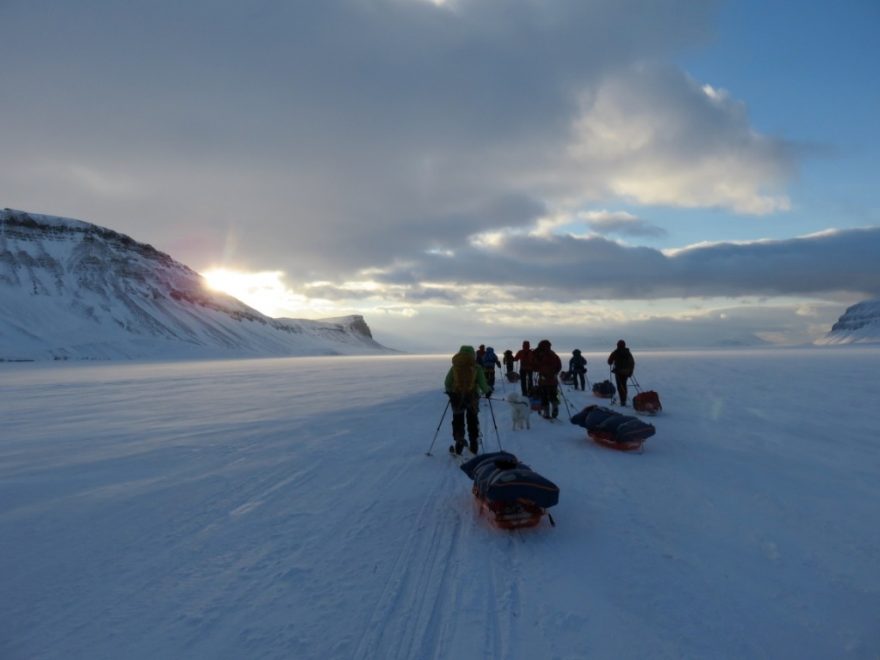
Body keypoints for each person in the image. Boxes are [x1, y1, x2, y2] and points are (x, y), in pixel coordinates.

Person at [444, 345, 491, 454]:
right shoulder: (477, 367)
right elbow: (483, 385)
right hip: (472, 398)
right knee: (472, 420)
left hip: (456, 398)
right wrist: (487, 391)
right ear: (472, 355)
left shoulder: (455, 367)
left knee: (458, 420)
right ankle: (474, 444)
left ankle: (459, 441)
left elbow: (447, 383)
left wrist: (450, 392)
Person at [532, 339, 562, 418]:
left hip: (543, 379)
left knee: (544, 396)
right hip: (553, 379)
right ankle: (555, 406)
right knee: (553, 395)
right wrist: (555, 373)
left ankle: (546, 413)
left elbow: (535, 367)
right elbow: (559, 366)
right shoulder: (554, 355)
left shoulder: (540, 355)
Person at [607, 339, 635, 406]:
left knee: (620, 386)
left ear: (617, 345)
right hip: (626, 372)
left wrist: (613, 361)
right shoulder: (628, 352)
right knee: (624, 385)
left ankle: (623, 401)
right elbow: (632, 362)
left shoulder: (615, 352)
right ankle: (624, 400)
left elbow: (609, 362)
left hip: (618, 372)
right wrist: (630, 371)